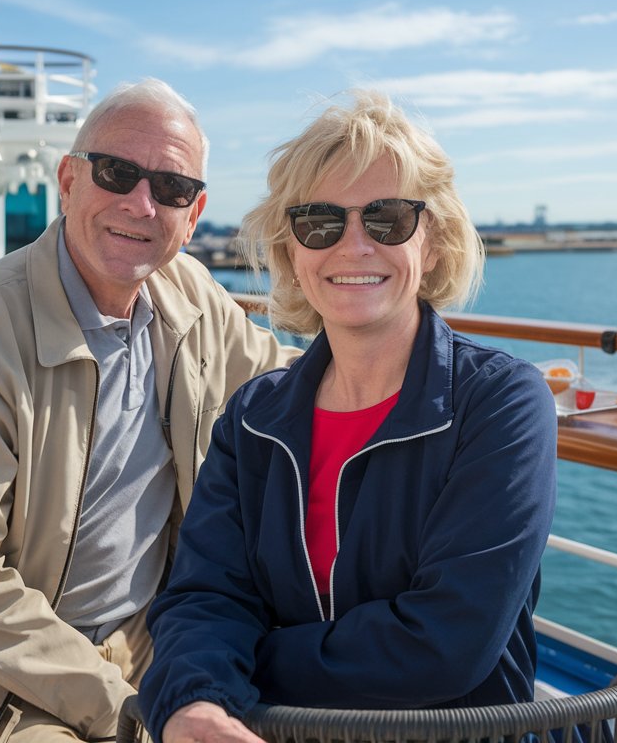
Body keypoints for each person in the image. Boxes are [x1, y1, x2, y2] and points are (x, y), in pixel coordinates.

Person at [0, 79, 300, 743]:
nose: (142, 204)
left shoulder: (189, 297)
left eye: (172, 188)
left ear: (194, 209)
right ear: (69, 180)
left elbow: (294, 388)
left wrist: (447, 381)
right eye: (118, 173)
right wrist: (127, 709)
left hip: (152, 645)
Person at [139, 90, 559, 743]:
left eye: (387, 219)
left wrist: (247, 662)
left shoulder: (500, 403)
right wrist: (197, 702)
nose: (353, 245)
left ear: (436, 242)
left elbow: (447, 642)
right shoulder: (255, 418)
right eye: (320, 222)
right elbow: (206, 599)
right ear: (292, 253)